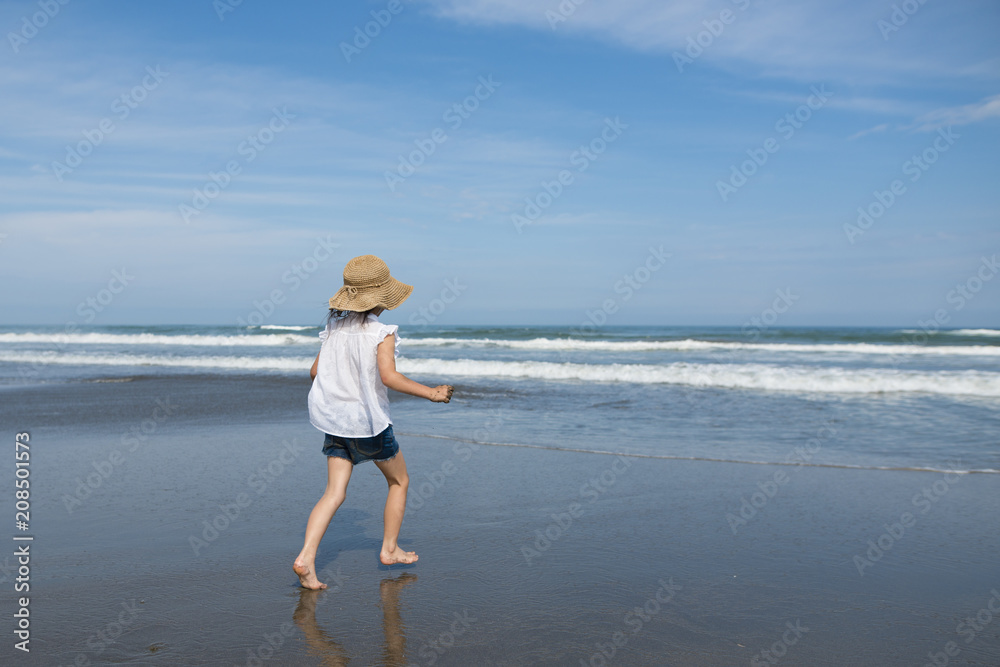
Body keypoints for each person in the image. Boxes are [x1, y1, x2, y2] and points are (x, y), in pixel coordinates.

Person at [293, 255, 454, 589]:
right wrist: (432, 393)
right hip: (369, 425)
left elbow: (314, 373)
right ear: (383, 297)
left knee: (334, 493)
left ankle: (305, 558)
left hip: (334, 422)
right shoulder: (382, 332)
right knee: (399, 482)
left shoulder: (334, 328)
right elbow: (388, 376)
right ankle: (390, 549)